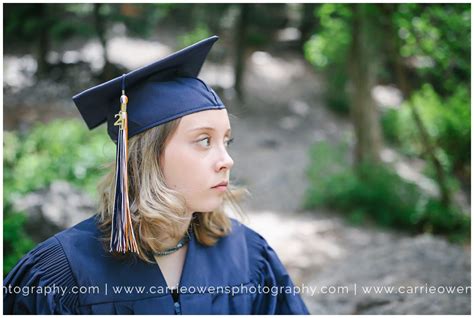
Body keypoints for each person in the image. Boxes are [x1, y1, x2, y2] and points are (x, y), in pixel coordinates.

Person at [3, 36, 309, 314]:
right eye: (204, 140)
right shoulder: (61, 275)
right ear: (147, 157)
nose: (226, 160)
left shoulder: (249, 258)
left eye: (226, 141)